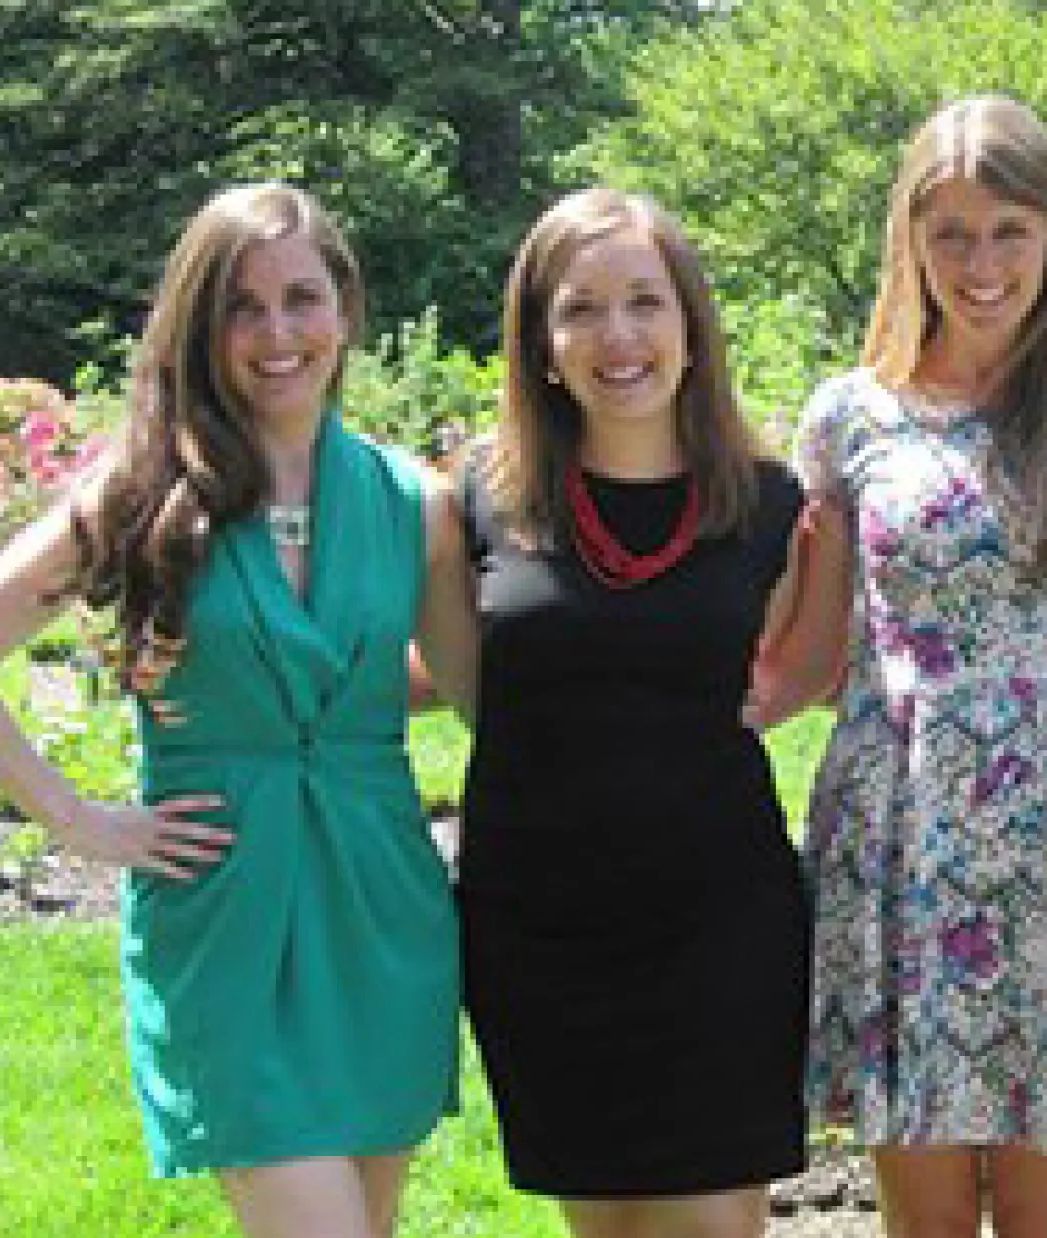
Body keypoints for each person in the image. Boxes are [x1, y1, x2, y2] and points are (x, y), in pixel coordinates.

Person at [0, 182, 467, 1238]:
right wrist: (76, 818)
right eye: (243, 306)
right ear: (200, 326)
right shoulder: (140, 490)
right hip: (223, 905)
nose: (278, 332)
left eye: (302, 297)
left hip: (380, 902)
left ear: (345, 308)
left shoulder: (412, 502)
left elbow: (479, 694)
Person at [753, 94, 1047, 1238]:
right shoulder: (850, 416)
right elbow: (802, 659)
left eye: (1008, 229)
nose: (981, 262)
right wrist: (630, 731)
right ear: (910, 241)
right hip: (906, 827)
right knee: (927, 1209)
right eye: (949, 231)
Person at [446, 188, 810, 1238]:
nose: (618, 336)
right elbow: (465, 686)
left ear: (691, 326)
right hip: (541, 931)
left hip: (719, 928)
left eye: (646, 302)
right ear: (541, 342)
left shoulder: (772, 502)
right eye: (581, 308)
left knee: (710, 1223)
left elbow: (801, 671)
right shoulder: (478, 496)